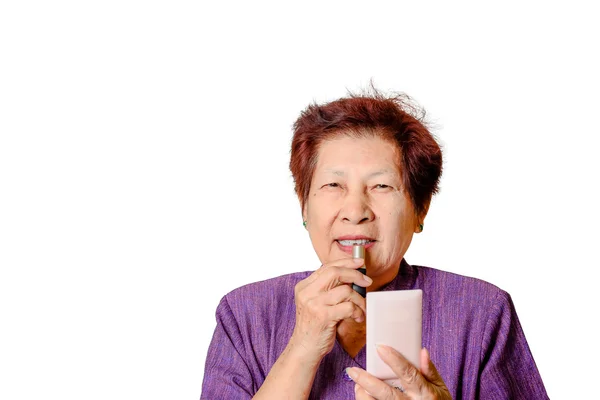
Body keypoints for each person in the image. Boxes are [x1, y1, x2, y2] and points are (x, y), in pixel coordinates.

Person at [200, 90, 549, 399]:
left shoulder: (482, 312)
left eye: (381, 187)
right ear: (304, 205)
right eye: (333, 185)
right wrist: (302, 347)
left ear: (420, 208)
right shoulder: (244, 314)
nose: (355, 211)